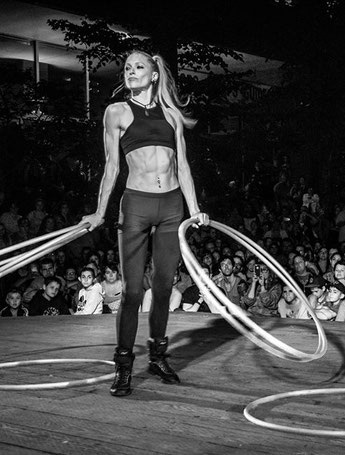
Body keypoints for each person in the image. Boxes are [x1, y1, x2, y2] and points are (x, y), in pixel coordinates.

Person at [82, 50, 209, 396]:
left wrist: (195, 210)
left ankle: (158, 356)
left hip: (171, 206)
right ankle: (124, 364)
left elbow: (183, 166)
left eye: (139, 67)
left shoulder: (172, 116)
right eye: (127, 68)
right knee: (133, 292)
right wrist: (99, 212)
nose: (131, 71)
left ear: (154, 75)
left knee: (164, 288)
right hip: (136, 204)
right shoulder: (117, 112)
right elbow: (111, 167)